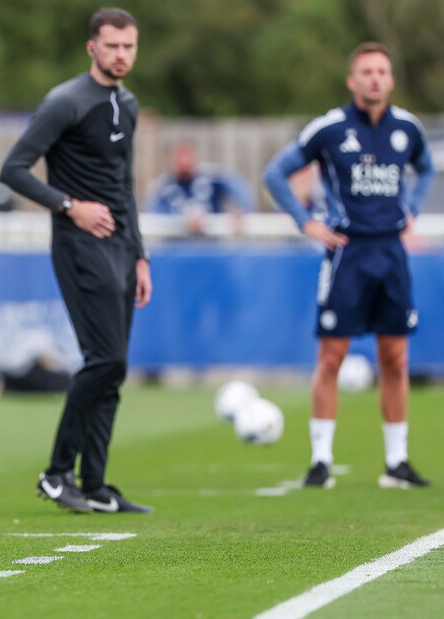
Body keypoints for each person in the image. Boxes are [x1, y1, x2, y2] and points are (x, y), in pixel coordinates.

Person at [0, 7, 154, 515]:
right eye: (111, 45)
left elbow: (124, 185)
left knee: (114, 367)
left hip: (119, 250)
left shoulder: (126, 103)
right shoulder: (66, 101)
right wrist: (71, 207)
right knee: (104, 360)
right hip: (78, 244)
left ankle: (96, 483)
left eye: (129, 46)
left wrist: (140, 256)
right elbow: (14, 170)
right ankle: (56, 473)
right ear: (92, 47)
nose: (120, 55)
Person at [263, 42, 434, 490]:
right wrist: (306, 222)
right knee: (332, 356)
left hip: (391, 253)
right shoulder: (331, 128)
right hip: (346, 254)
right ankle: (321, 461)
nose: (375, 78)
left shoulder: (407, 128)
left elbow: (426, 167)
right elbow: (274, 174)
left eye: (382, 71)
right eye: (366, 71)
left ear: (391, 79)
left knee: (395, 358)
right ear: (352, 80)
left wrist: (413, 207)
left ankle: (396, 462)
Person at [145, 140, 254, 235]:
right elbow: (154, 215)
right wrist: (183, 221)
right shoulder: (163, 187)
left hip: (212, 247)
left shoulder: (212, 178)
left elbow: (239, 188)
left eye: (187, 155)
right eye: (179, 156)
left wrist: (242, 211)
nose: (184, 160)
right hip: (176, 250)